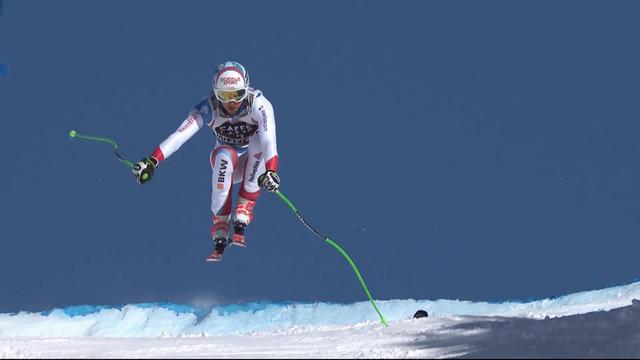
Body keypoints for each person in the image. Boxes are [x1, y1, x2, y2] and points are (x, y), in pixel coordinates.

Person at [132, 61, 280, 262]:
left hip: (253, 166)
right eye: (225, 96)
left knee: (257, 140)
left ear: (245, 90)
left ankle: (245, 206)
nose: (231, 103)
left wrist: (271, 171)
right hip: (229, 165)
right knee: (224, 156)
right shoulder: (208, 107)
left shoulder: (259, 104)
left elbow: (269, 139)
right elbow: (179, 135)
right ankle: (220, 221)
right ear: (216, 94)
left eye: (237, 95)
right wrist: (152, 161)